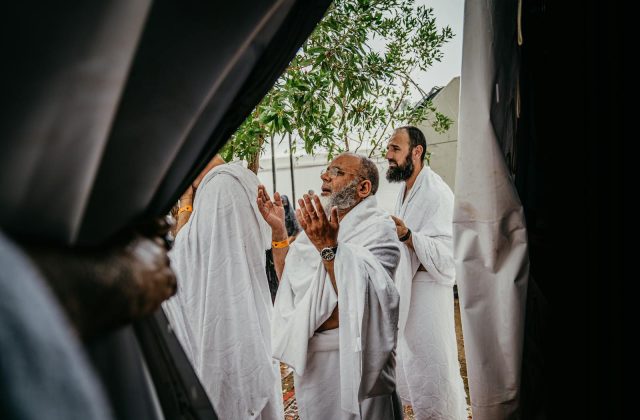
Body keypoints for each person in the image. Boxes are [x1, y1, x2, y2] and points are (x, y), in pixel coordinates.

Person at [257, 153, 403, 419]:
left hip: (355, 359)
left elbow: (364, 300)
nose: (324, 176)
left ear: (363, 188)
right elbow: (290, 282)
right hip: (314, 362)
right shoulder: (320, 227)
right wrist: (279, 233)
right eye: (325, 170)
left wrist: (328, 247)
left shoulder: (379, 230)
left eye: (335, 172)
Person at [163, 155, 284, 420]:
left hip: (225, 315)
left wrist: (185, 203)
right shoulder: (242, 182)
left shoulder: (219, 189)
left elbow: (181, 259)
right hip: (251, 308)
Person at [385, 126, 467, 419]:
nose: (388, 155)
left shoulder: (437, 192)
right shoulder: (406, 189)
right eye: (389, 149)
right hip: (409, 295)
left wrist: (409, 237)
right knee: (415, 369)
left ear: (416, 151)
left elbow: (448, 256)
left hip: (429, 297)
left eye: (395, 149)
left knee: (436, 372)